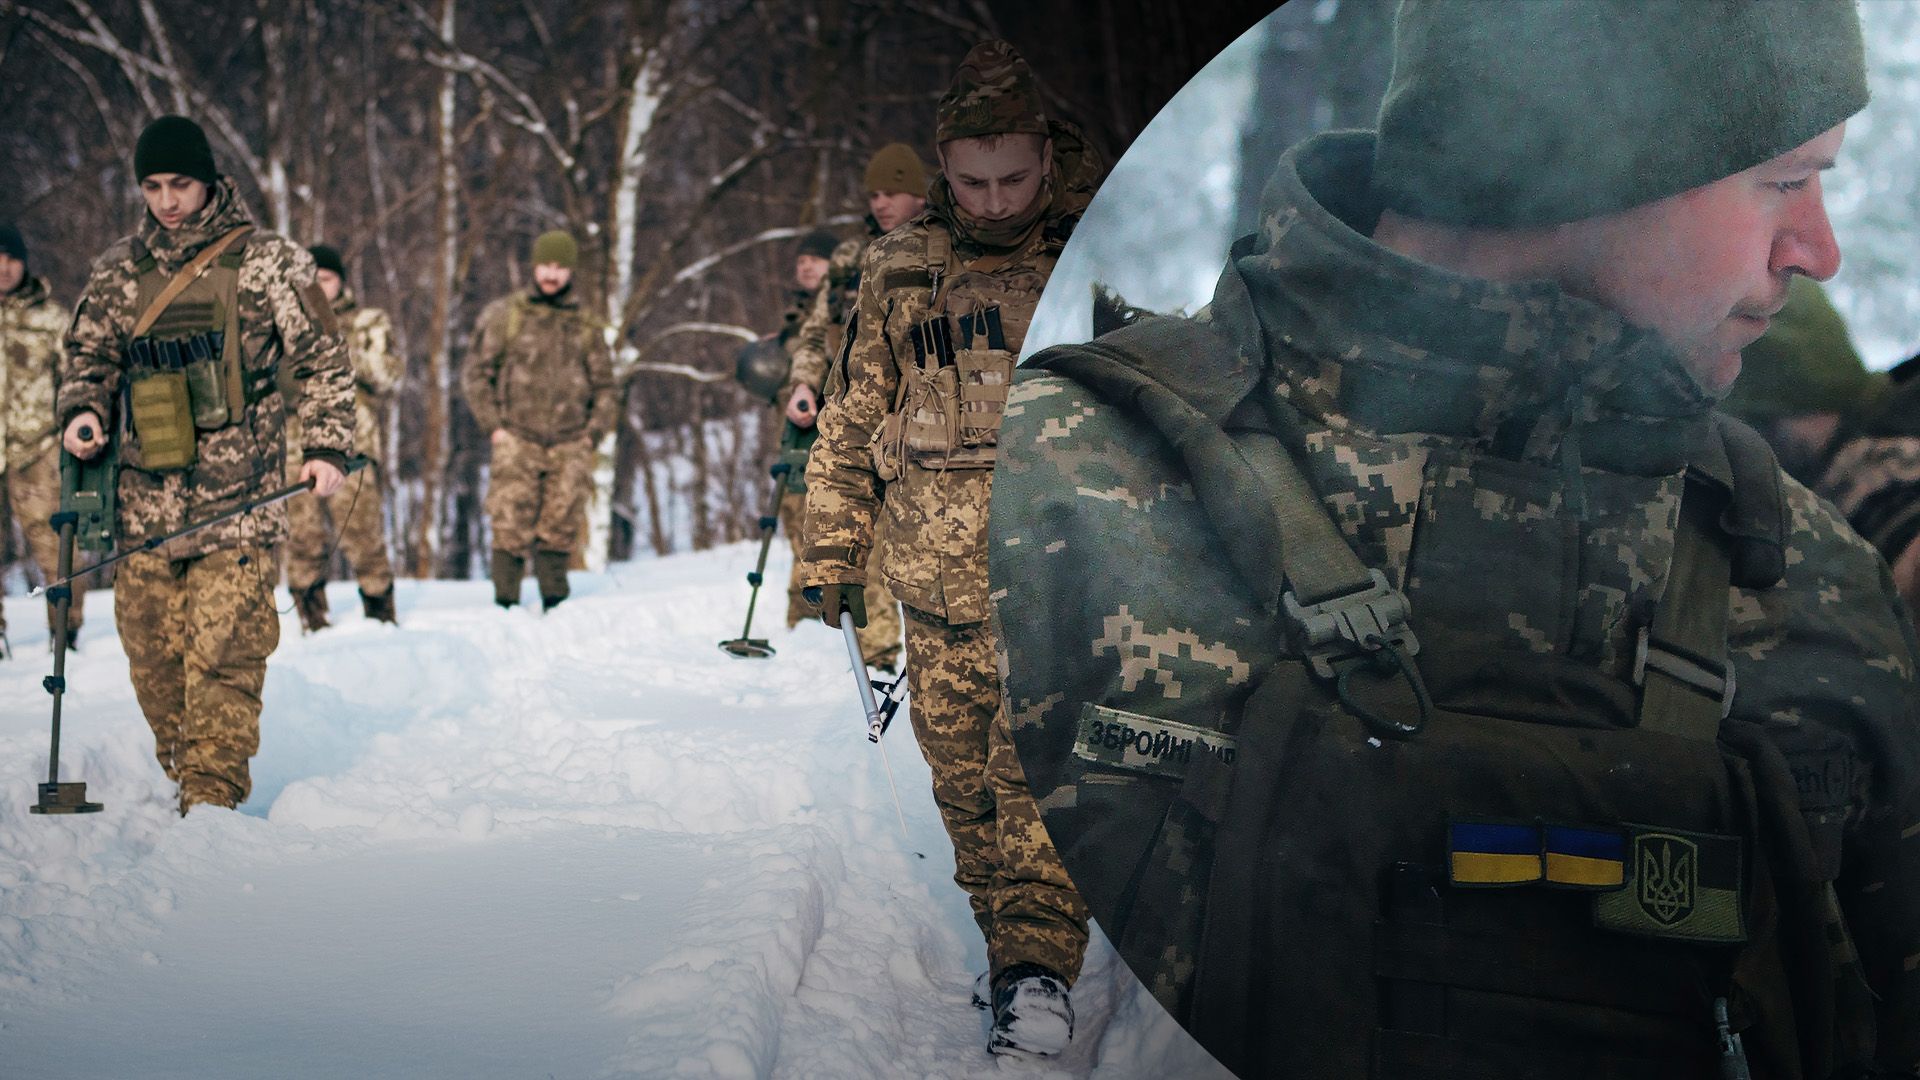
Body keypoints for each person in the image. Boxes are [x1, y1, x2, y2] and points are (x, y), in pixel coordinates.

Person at [991, 2, 1920, 1077]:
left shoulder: (1809, 578)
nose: (1821, 252)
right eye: (1783, 180)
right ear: (1588, 150)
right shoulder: (1048, 500)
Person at [798, 40, 1104, 1058]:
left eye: (1015, 176)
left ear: (1046, 158)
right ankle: (1006, 943)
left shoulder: (1095, 250)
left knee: (1034, 784)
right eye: (971, 181)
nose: (995, 198)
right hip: (929, 585)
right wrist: (831, 549)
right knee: (963, 782)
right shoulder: (900, 267)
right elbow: (849, 419)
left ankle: (1036, 968)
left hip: (1060, 578)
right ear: (943, 165)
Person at [59, 115, 353, 814]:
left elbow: (322, 359)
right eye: (154, 186)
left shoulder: (269, 262)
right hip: (145, 506)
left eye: (180, 184)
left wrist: (326, 446)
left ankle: (211, 805)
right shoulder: (117, 273)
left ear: (210, 181)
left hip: (238, 505)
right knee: (155, 664)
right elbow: (88, 360)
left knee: (224, 658)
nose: (167, 200)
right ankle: (186, 771)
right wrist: (84, 413)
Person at [776, 145, 933, 672]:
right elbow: (815, 335)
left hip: (929, 422)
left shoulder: (945, 247)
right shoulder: (850, 260)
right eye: (873, 194)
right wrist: (803, 384)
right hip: (856, 413)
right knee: (855, 528)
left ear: (919, 190)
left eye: (892, 191)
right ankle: (881, 654)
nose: (882, 202)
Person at [461, 230, 615, 611]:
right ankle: (506, 606)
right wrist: (494, 427)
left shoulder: (586, 326)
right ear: (534, 266)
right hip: (517, 438)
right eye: (546, 265)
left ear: (571, 272)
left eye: (561, 267)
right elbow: (476, 374)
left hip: (570, 441)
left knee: (560, 527)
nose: (552, 274)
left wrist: (591, 435)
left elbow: (607, 387)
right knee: (509, 524)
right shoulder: (504, 316)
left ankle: (557, 608)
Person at [284, 243, 402, 630]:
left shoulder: (367, 322)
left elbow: (389, 375)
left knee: (362, 531)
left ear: (341, 283)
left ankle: (380, 613)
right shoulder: (285, 321)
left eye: (327, 279)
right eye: (311, 279)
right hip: (293, 442)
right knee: (302, 535)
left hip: (354, 442)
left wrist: (340, 344)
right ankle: (311, 618)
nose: (318, 286)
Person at [0, 221, 86, 652]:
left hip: (38, 448)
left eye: (11, 258)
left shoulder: (50, 318)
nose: (3, 268)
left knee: (56, 544)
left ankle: (64, 633)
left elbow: (77, 380)